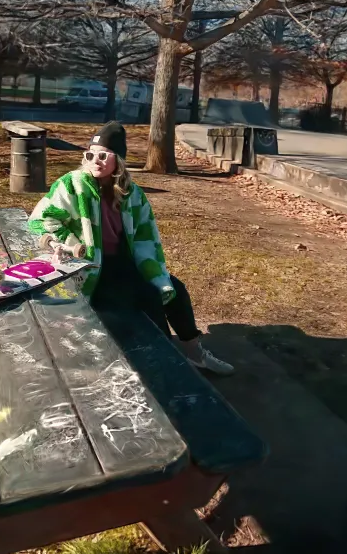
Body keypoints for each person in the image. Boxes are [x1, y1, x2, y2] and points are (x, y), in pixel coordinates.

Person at [27, 121, 234, 375]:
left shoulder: (131, 193)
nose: (95, 161)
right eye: (90, 155)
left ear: (119, 161)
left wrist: (153, 270)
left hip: (123, 262)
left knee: (173, 289)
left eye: (103, 155)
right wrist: (71, 244)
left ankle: (194, 353)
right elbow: (40, 219)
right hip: (91, 266)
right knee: (146, 302)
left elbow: (147, 235)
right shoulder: (72, 185)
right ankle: (166, 366)